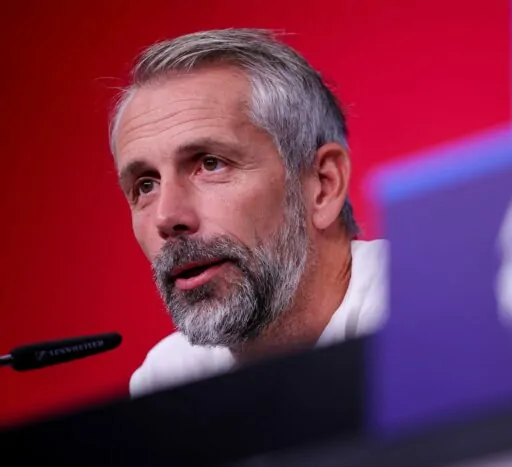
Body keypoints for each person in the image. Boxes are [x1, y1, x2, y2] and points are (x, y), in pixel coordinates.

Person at [109, 29, 388, 397]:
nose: (166, 217)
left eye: (211, 164)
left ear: (323, 185)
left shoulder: (429, 306)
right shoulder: (168, 381)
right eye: (146, 185)